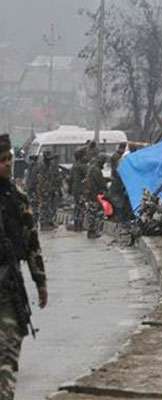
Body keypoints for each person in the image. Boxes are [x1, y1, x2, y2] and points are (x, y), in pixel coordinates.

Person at [0, 134, 48, 399]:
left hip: (9, 285)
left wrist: (40, 282)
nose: (7, 164)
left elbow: (31, 242)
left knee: (9, 346)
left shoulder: (17, 198)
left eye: (9, 159)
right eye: (2, 160)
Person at [35, 151, 62, 231]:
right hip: (44, 190)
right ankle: (43, 223)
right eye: (49, 159)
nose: (50, 160)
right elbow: (40, 179)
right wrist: (42, 190)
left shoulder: (49, 166)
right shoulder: (42, 166)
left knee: (50, 206)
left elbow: (52, 178)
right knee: (44, 206)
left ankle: (49, 222)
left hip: (49, 189)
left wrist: (54, 188)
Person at [84, 155, 107, 239]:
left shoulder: (92, 168)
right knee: (94, 214)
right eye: (103, 163)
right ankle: (92, 232)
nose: (103, 165)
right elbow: (100, 183)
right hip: (94, 194)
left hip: (91, 194)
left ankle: (91, 231)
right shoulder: (96, 170)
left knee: (91, 213)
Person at [68, 149, 88, 231]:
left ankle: (76, 224)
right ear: (81, 157)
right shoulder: (82, 166)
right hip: (81, 190)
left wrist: (70, 189)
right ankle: (79, 224)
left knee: (77, 207)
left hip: (75, 189)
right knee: (81, 207)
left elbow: (70, 179)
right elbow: (87, 177)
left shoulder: (74, 166)